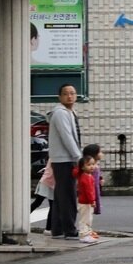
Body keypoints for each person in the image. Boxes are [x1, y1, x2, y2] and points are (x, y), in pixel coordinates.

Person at [48, 85, 83, 240]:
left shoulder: (70, 112)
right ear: (59, 97)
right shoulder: (60, 114)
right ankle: (69, 229)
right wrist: (78, 157)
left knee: (60, 194)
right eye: (65, 94)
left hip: (64, 158)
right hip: (64, 159)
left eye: (72, 93)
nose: (69, 96)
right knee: (68, 195)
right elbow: (67, 136)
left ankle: (57, 229)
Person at [75, 153, 100, 243]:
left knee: (88, 218)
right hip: (86, 202)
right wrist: (92, 200)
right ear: (82, 167)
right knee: (85, 219)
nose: (92, 166)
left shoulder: (86, 176)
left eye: (93, 164)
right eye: (88, 165)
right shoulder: (86, 177)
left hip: (85, 202)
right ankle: (84, 234)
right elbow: (89, 191)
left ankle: (88, 233)